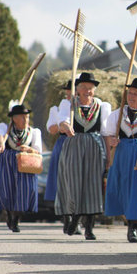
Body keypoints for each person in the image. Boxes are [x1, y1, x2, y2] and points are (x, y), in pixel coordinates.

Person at [55, 72, 111, 240]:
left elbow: (106, 133)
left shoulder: (102, 106)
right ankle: (74, 218)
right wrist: (66, 125)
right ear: (77, 89)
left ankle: (89, 228)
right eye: (84, 87)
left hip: (95, 146)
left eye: (90, 88)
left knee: (93, 186)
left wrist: (109, 159)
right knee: (74, 183)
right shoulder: (69, 104)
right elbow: (62, 122)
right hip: (74, 145)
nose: (87, 91)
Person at [104, 78, 137, 243]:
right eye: (130, 93)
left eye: (136, 94)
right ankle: (130, 225)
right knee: (124, 187)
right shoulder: (118, 114)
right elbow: (109, 135)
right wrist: (112, 141)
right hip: (123, 154)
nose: (131, 96)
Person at [0, 104, 42, 232]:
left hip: (24, 164)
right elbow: (0, 136)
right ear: (14, 119)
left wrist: (29, 149)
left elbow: (38, 151)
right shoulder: (5, 129)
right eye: (22, 117)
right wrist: (1, 143)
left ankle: (16, 219)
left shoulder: (33, 132)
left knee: (25, 191)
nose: (26, 120)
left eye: (27, 117)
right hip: (7, 163)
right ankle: (8, 214)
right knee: (7, 190)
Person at [45, 80, 81, 234]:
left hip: (81, 144)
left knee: (79, 184)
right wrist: (63, 121)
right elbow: (52, 128)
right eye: (68, 92)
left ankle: (77, 219)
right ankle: (67, 217)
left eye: (72, 91)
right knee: (64, 184)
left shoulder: (88, 106)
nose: (70, 94)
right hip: (64, 144)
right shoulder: (59, 107)